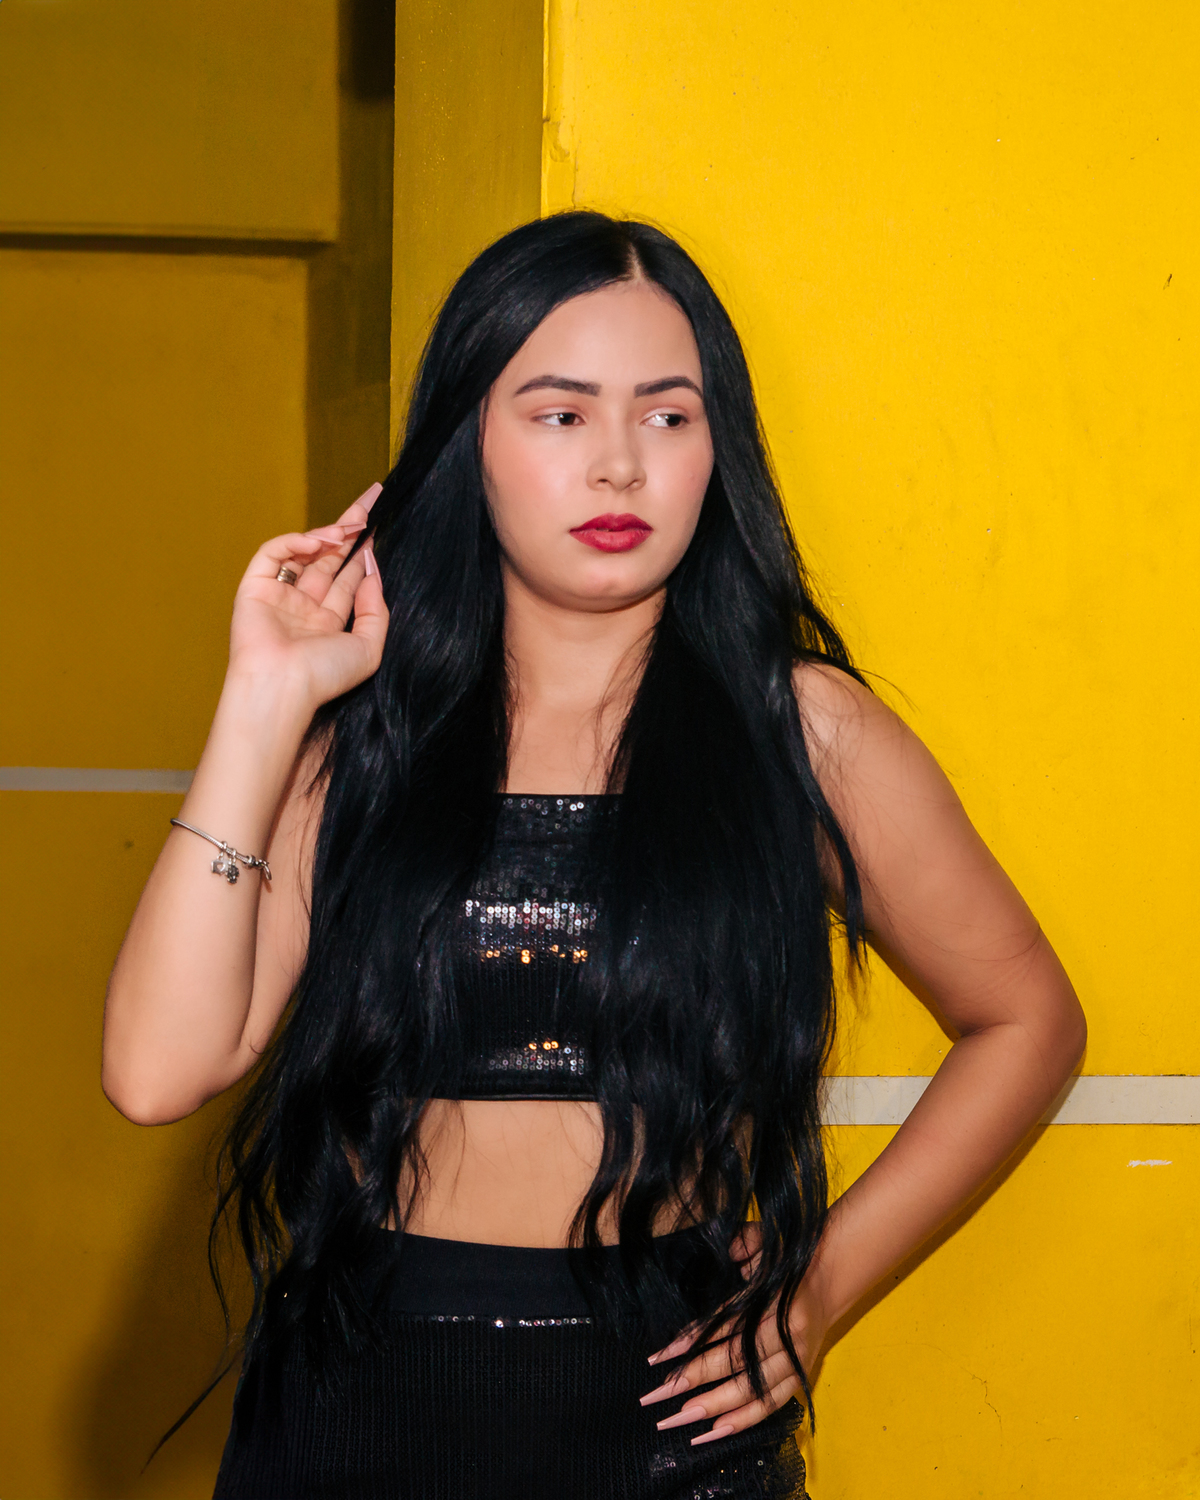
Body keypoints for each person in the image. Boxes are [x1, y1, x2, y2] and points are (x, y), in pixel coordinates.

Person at [102, 212, 1086, 1500]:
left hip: (667, 1405)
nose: (620, 465)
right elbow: (156, 1072)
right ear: (471, 441)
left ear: (717, 450)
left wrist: (817, 1294)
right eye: (561, 414)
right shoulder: (363, 743)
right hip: (357, 1403)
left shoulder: (801, 732)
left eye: (668, 416)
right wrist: (264, 702)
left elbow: (1027, 1018)